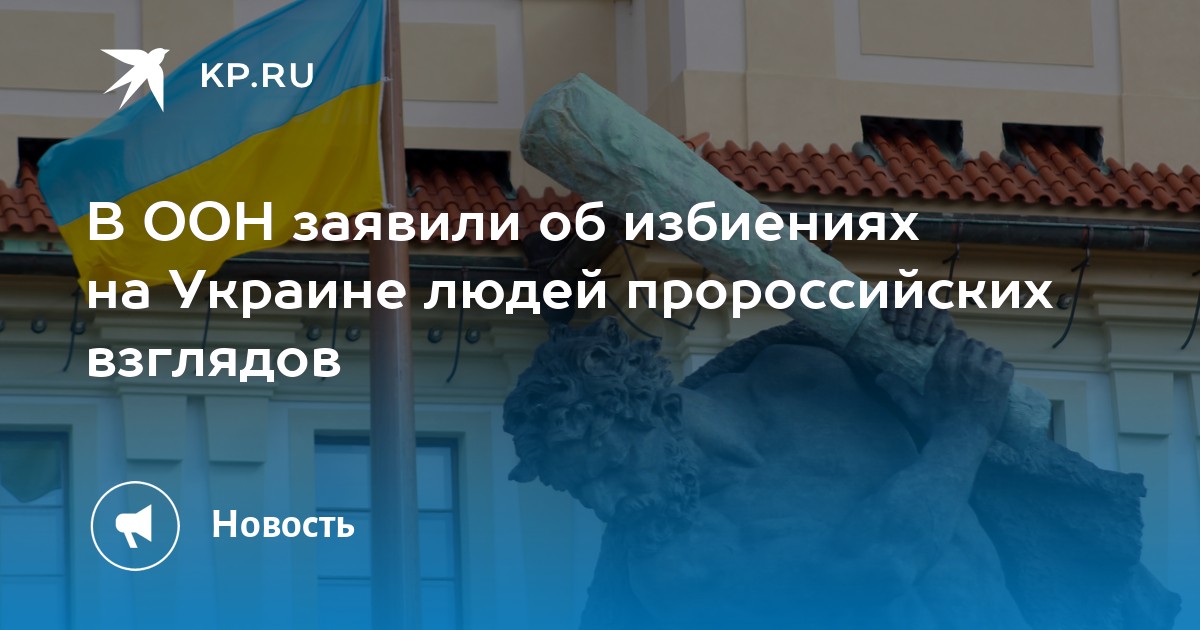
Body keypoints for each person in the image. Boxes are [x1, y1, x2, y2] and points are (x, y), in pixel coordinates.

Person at [504, 305, 1040, 628]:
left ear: (658, 410)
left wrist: (912, 334)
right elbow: (873, 569)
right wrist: (965, 431)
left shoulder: (808, 371)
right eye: (582, 492)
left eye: (611, 469)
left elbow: (927, 390)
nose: (605, 505)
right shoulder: (674, 568)